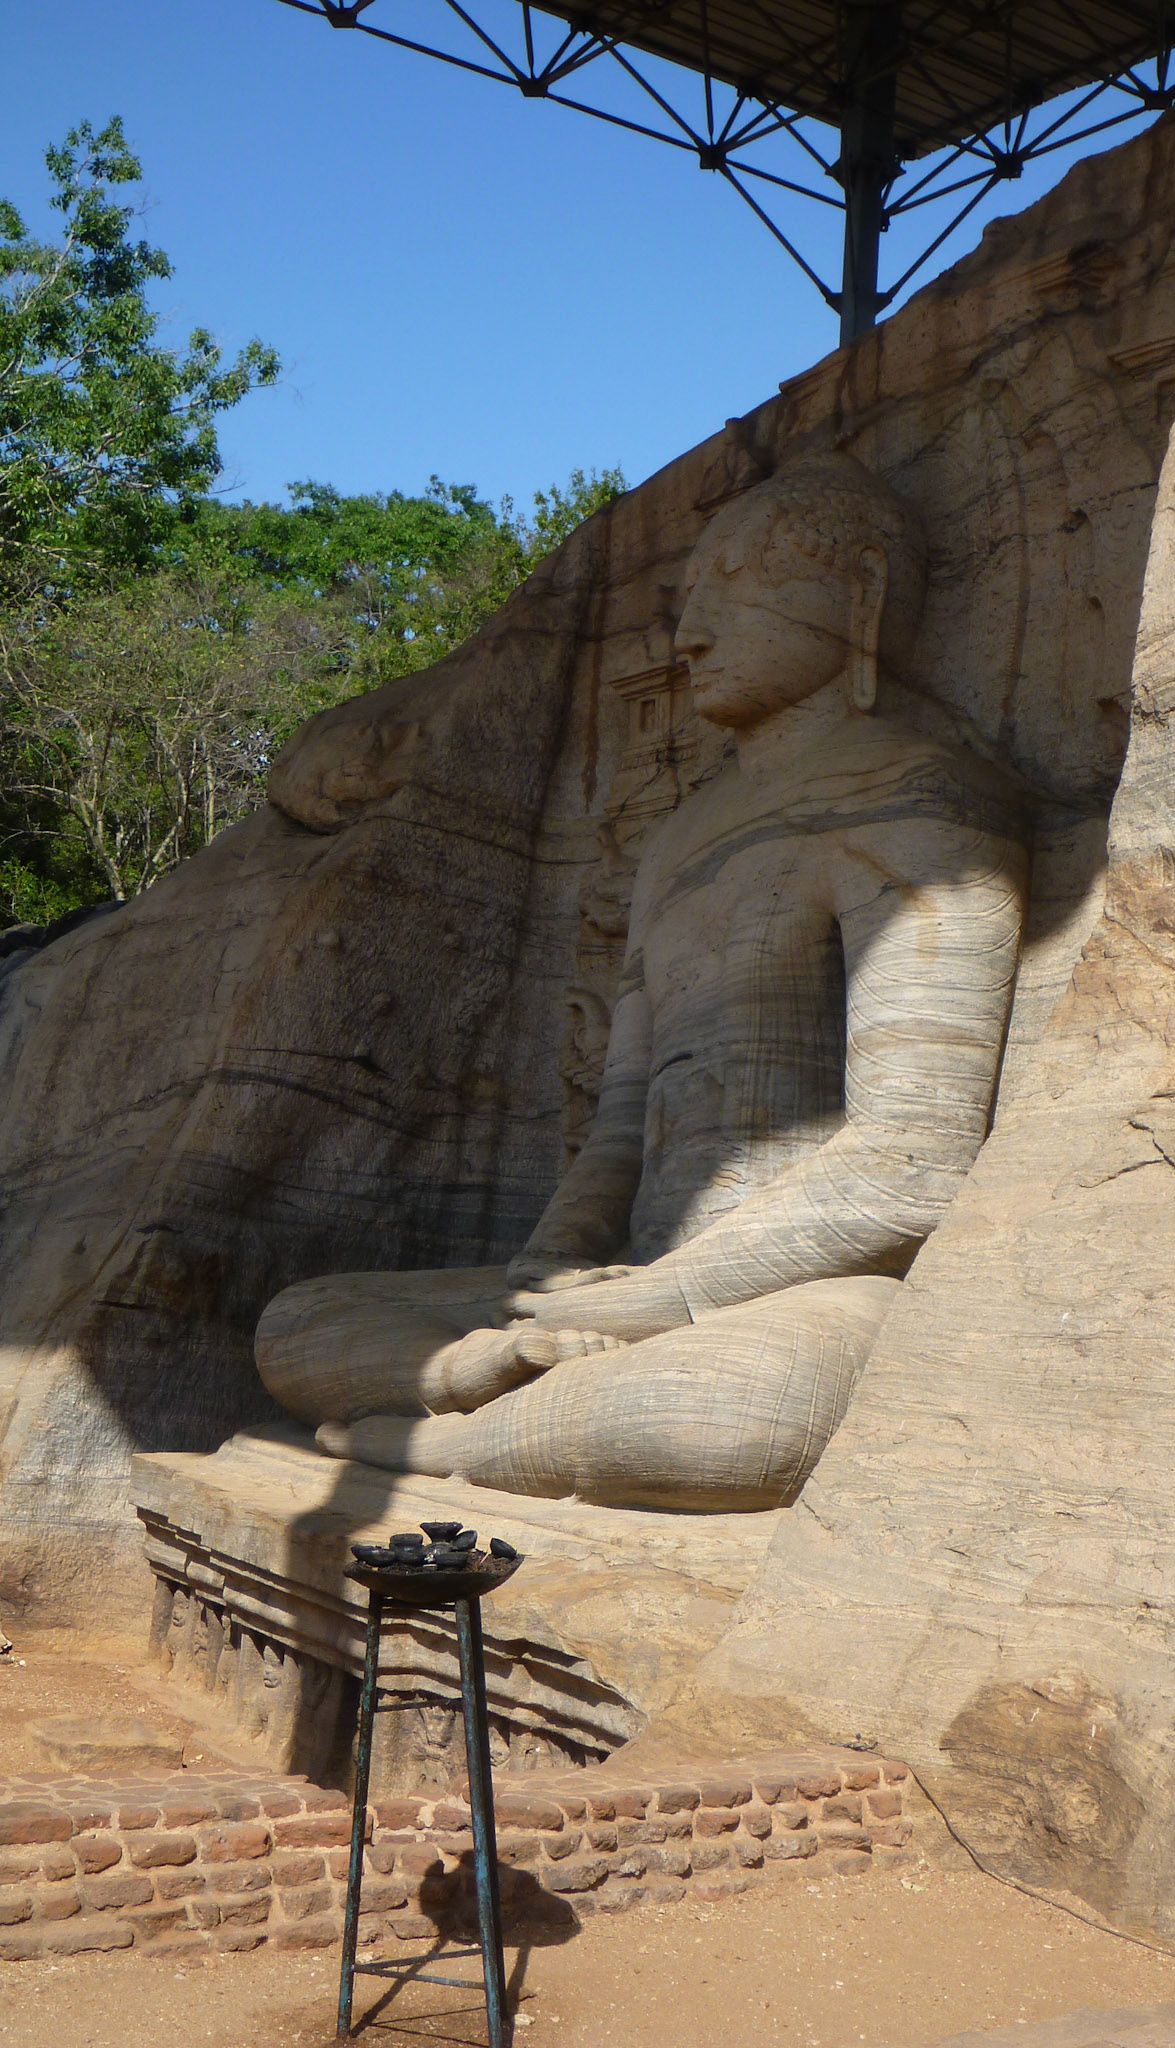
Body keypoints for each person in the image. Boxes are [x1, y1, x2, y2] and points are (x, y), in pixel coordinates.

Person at [256, 452, 1029, 1510]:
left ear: (863, 595)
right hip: (622, 1282)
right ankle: (469, 1386)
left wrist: (666, 1297)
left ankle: (436, 1444)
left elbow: (914, 1162)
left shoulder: (925, 797)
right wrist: (537, 1283)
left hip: (793, 1286)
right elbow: (621, 1124)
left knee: (739, 1414)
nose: (690, 636)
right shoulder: (674, 844)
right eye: (687, 600)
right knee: (295, 1320)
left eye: (735, 592)